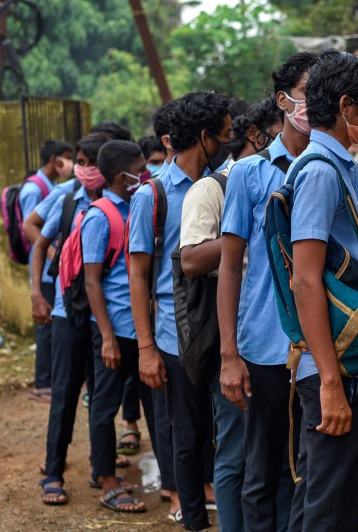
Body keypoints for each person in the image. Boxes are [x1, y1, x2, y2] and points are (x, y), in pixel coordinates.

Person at [219, 51, 319, 532]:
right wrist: (229, 355)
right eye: (308, 95)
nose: (318, 106)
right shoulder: (248, 173)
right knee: (261, 469)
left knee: (311, 469)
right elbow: (230, 268)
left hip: (322, 346)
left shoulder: (335, 167)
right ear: (284, 101)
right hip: (265, 343)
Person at [285, 49, 358, 532]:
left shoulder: (336, 164)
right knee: (329, 510)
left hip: (344, 364)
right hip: (334, 367)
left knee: (328, 499)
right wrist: (329, 383)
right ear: (345, 106)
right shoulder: (322, 171)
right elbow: (304, 277)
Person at [179, 95, 283, 532]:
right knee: (236, 452)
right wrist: (247, 229)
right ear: (257, 136)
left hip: (273, 338)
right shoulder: (212, 188)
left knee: (271, 454)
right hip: (234, 337)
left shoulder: (281, 181)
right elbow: (190, 260)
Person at [129, 91, 232, 530]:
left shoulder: (225, 184)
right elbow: (138, 275)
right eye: (224, 135)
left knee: (222, 429)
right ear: (205, 137)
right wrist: (146, 347)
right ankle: (192, 518)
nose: (229, 142)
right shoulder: (152, 195)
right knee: (185, 436)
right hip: (176, 334)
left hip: (223, 324)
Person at [32, 133, 109, 505]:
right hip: (67, 312)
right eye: (79, 160)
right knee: (63, 393)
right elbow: (38, 241)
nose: (82, 168)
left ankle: (103, 469)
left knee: (101, 396)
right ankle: (53, 471)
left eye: (89, 161)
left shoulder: (118, 200)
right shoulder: (65, 199)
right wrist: (38, 290)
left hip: (104, 319)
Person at [84, 139, 151, 513]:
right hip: (113, 330)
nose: (144, 175)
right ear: (119, 176)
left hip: (136, 329)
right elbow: (93, 281)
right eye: (138, 168)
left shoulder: (134, 207)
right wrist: (107, 336)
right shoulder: (100, 215)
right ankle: (107, 481)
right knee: (104, 406)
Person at [21, 140, 74, 403]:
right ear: (54, 159)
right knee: (44, 326)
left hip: (51, 268)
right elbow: (30, 227)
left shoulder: (49, 186)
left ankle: (50, 381)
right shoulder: (34, 188)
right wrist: (56, 256)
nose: (71, 164)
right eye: (66, 158)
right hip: (44, 270)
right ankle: (42, 383)